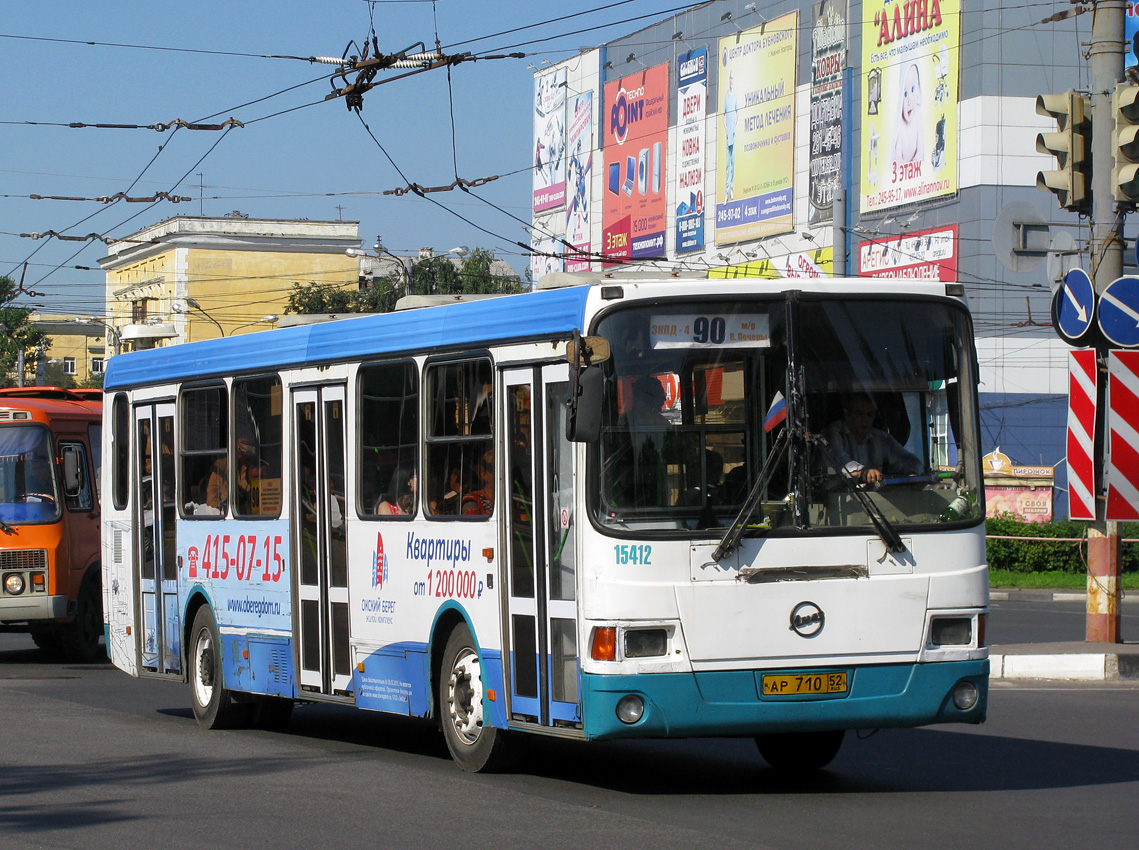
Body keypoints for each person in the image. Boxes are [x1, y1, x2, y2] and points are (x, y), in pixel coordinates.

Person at [822, 393, 923, 487]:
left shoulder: (882, 438)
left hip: (873, 502)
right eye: (860, 414)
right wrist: (863, 472)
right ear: (847, 414)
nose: (865, 419)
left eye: (870, 414)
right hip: (837, 500)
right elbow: (841, 461)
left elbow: (910, 460)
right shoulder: (831, 434)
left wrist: (912, 473)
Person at [891, 62, 923, 167]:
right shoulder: (900, 124)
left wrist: (916, 160)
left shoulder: (918, 115)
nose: (909, 101)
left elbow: (921, 150)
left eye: (913, 89)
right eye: (905, 94)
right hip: (904, 174)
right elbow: (898, 157)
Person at [722, 70, 739, 201]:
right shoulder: (726, 97)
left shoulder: (735, 97)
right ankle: (726, 191)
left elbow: (737, 112)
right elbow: (723, 115)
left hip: (733, 133)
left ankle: (731, 189)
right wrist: (726, 127)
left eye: (733, 78)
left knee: (733, 162)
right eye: (730, 78)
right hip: (728, 134)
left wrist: (734, 125)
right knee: (727, 165)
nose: (732, 80)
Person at [462, 451, 494, 515]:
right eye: (495, 470)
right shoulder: (471, 498)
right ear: (483, 474)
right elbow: (471, 523)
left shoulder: (514, 499)